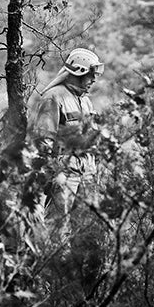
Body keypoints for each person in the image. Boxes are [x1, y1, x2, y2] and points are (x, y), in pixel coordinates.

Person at [28, 47, 104, 222]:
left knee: (86, 228)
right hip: (64, 175)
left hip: (87, 173)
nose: (93, 79)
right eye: (90, 74)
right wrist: (49, 174)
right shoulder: (53, 97)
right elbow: (44, 140)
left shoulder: (86, 101)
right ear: (79, 72)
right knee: (59, 226)